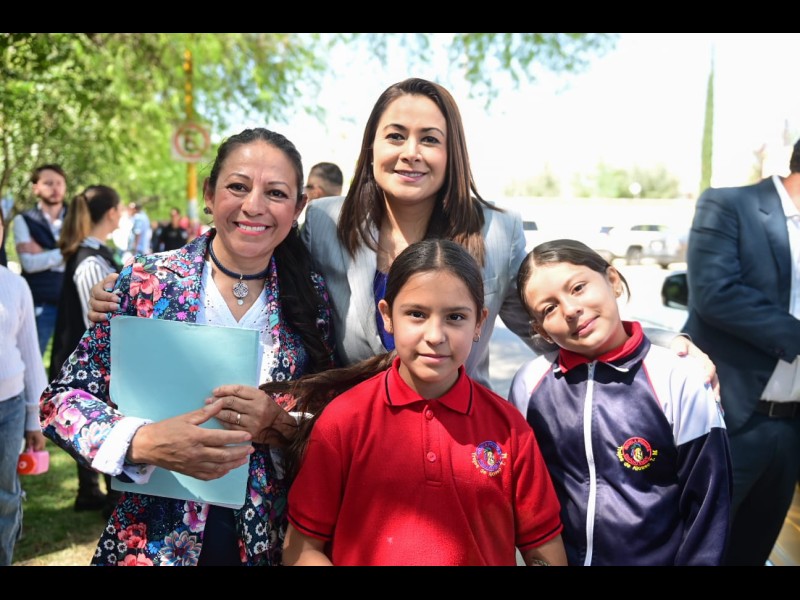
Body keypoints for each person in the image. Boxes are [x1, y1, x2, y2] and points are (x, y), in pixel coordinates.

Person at [88, 78, 720, 392]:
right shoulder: (324, 221)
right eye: (395, 136)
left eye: (429, 139)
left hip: (457, 436)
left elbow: (547, 322)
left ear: (452, 152)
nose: (410, 152)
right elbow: (246, 261)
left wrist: (664, 344)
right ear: (372, 146)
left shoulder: (495, 230)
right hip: (347, 435)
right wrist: (136, 291)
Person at [39, 127, 335, 566]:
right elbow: (60, 402)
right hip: (152, 540)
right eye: (238, 187)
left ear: (298, 208)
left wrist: (281, 426)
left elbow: (335, 417)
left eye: (275, 193)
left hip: (267, 541)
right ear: (210, 194)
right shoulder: (147, 281)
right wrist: (141, 441)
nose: (254, 206)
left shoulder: (310, 299)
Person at [280, 239, 567, 566]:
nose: (435, 336)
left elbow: (543, 549)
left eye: (455, 317)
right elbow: (300, 549)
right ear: (387, 316)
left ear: (479, 323)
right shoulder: (344, 419)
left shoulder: (509, 429)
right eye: (416, 314)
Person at [508, 239, 732, 566]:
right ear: (539, 329)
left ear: (613, 281)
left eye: (578, 288)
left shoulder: (677, 377)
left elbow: (709, 507)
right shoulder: (529, 384)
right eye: (549, 308)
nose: (570, 310)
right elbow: (526, 498)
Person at [682, 138, 800, 566]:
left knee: (753, 555)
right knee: (697, 553)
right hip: (729, 419)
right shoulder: (730, 205)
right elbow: (716, 294)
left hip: (790, 429)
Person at [48, 185, 123, 515]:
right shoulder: (90, 260)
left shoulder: (93, 253)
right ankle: (107, 496)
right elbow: (95, 322)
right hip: (88, 362)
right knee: (100, 425)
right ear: (111, 212)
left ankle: (90, 493)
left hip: (86, 359)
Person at [0, 208, 48, 566]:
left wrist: (35, 418)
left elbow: (30, 353)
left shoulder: (14, 284)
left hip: (10, 407)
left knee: (5, 495)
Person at [12, 164, 68, 353]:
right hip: (38, 302)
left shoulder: (76, 218)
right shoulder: (24, 220)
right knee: (31, 355)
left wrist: (43, 251)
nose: (55, 188)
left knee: (69, 363)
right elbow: (29, 264)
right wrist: (66, 252)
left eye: (59, 183)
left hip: (71, 301)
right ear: (36, 188)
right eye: (48, 183)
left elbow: (81, 254)